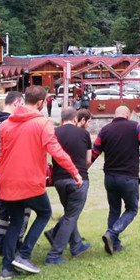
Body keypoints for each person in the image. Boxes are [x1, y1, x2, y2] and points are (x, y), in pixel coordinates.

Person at [0, 86, 82, 280]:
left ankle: (6, 268)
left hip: (8, 181)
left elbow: (1, 155)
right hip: (30, 182)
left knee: (15, 222)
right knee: (44, 213)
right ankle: (24, 254)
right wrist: (74, 172)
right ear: (41, 102)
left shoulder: (6, 125)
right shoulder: (42, 123)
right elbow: (56, 151)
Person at [91, 105, 140, 255]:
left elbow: (94, 153)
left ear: (114, 115)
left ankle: (114, 244)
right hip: (128, 177)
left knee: (114, 210)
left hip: (109, 177)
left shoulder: (105, 130)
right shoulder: (134, 127)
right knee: (131, 209)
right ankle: (112, 233)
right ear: (128, 115)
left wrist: (80, 171)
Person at [44, 107, 93, 265]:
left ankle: (76, 245)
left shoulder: (54, 133)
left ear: (61, 119)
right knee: (71, 216)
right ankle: (54, 254)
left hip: (59, 180)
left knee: (70, 213)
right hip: (78, 178)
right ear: (75, 119)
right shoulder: (84, 134)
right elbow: (88, 160)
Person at [0, 90, 29, 257]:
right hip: (10, 171)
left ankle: (0, 244)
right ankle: (16, 241)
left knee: (2, 209)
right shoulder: (10, 123)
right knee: (22, 208)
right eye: (22, 104)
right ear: (17, 103)